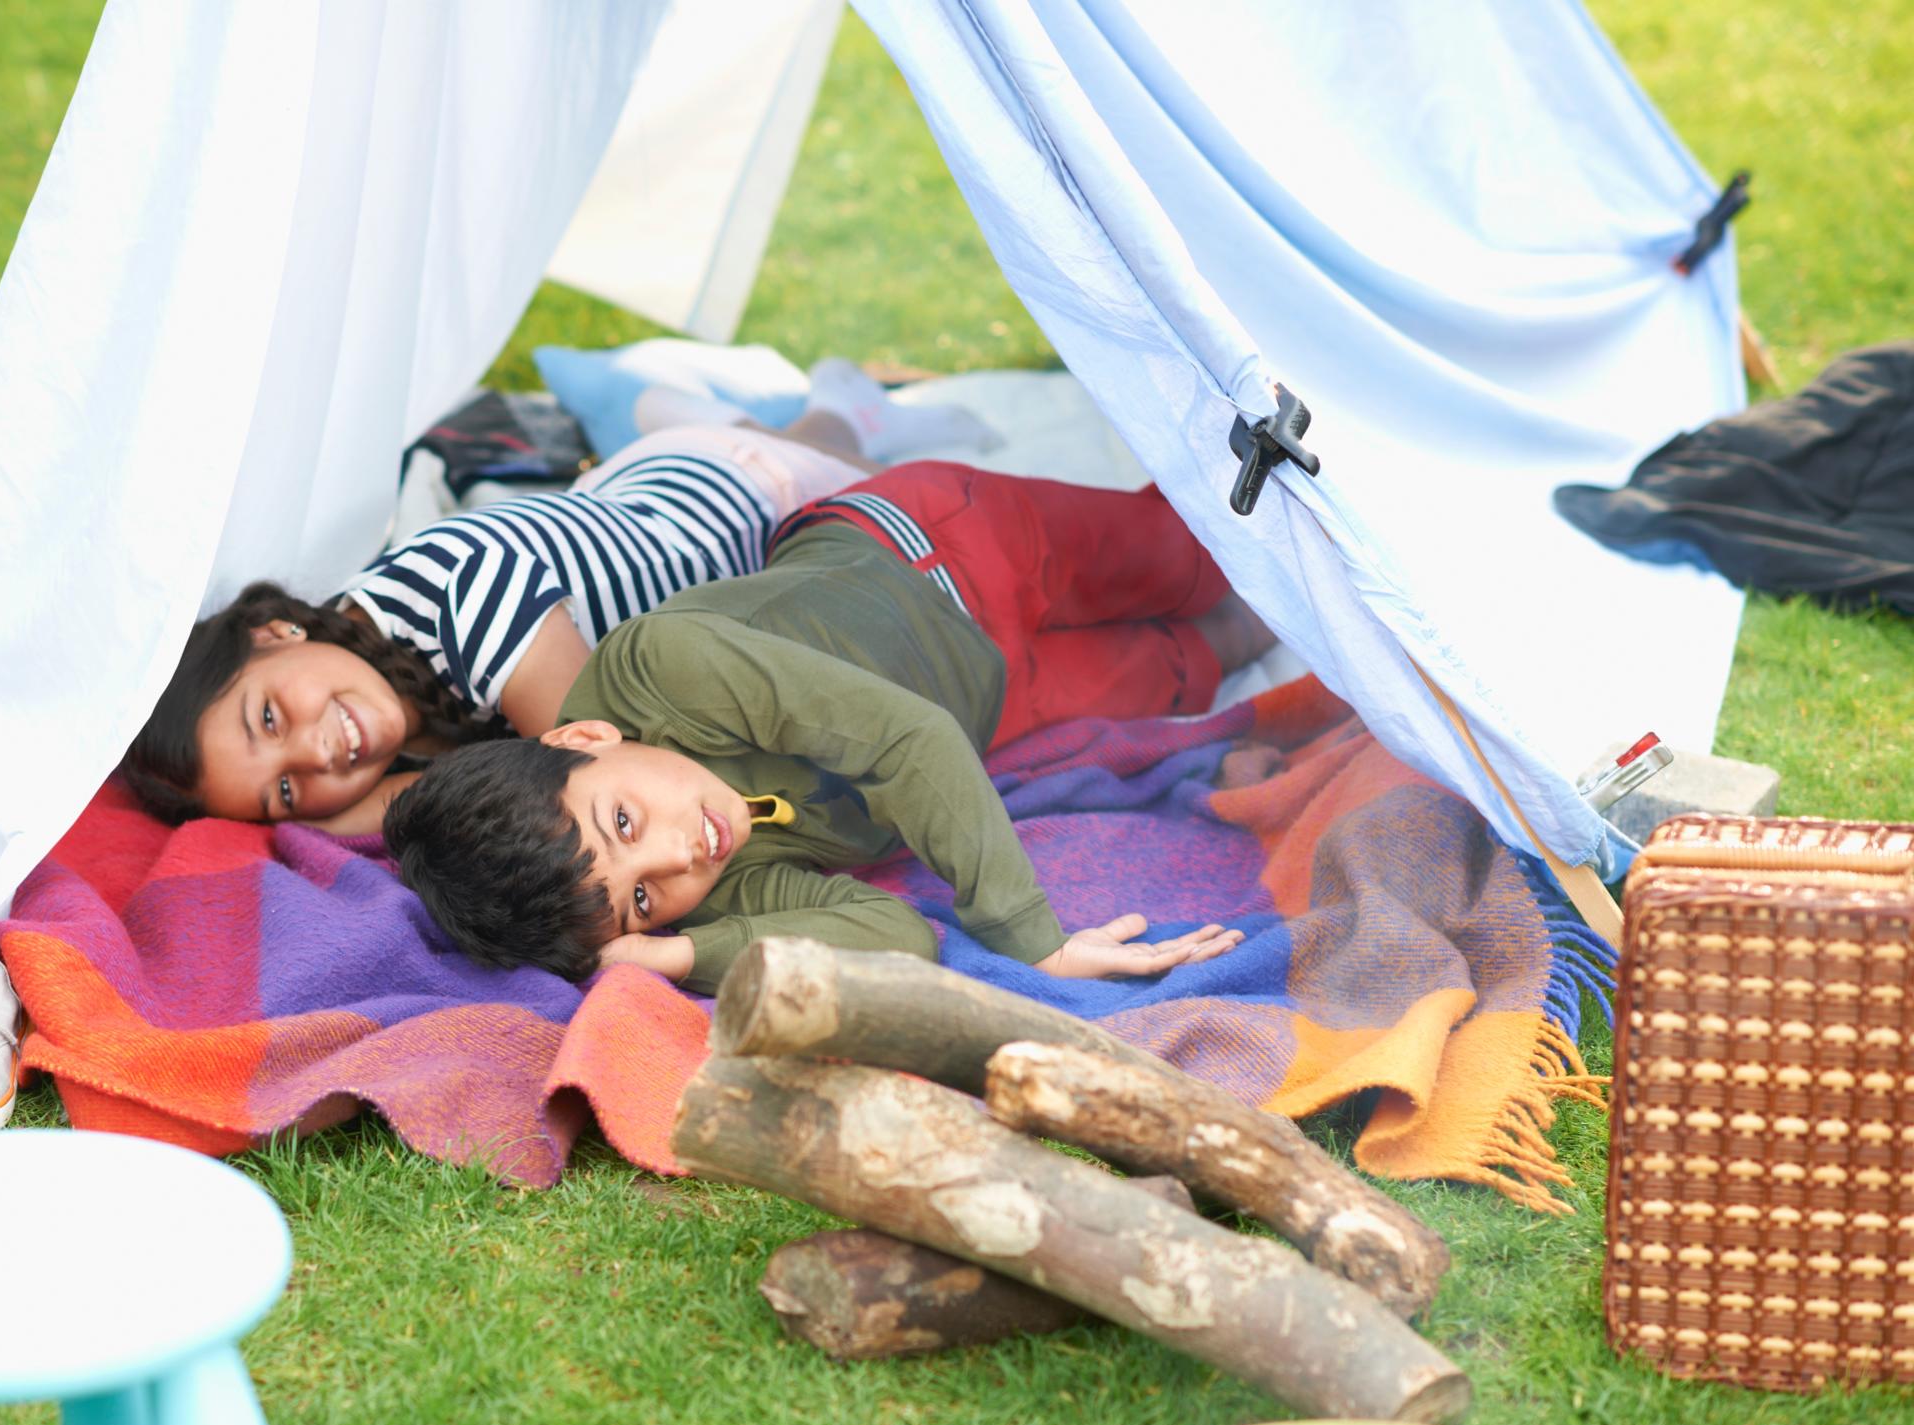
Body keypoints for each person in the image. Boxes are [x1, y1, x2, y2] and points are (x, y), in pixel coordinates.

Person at [380, 465, 1268, 993]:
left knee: (1189, 553)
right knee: (1198, 658)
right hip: (991, 700)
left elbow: (907, 740)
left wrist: (1033, 938)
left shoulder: (665, 664)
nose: (681, 852)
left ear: (583, 742)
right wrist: (685, 950)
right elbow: (896, 933)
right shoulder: (707, 893)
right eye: (641, 898)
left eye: (623, 822)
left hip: (937, 552)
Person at [117, 362, 994, 833]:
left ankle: (820, 414)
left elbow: (606, 777)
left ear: (272, 632)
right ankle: (801, 405)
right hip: (636, 495)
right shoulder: (374, 704)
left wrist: (351, 817)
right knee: (807, 427)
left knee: (898, 482)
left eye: (270, 719)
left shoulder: (460, 589)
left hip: (740, 498)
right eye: (283, 795)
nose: (314, 758)